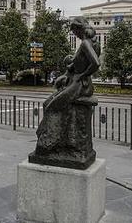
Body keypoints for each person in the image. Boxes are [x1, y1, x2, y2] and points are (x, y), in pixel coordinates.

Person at [35, 17, 101, 152]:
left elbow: (95, 63)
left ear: (79, 29)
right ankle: (56, 139)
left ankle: (49, 142)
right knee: (48, 102)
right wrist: (69, 72)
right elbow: (81, 64)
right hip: (79, 83)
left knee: (52, 106)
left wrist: (81, 76)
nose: (74, 35)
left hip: (79, 85)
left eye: (74, 31)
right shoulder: (91, 43)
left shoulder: (85, 44)